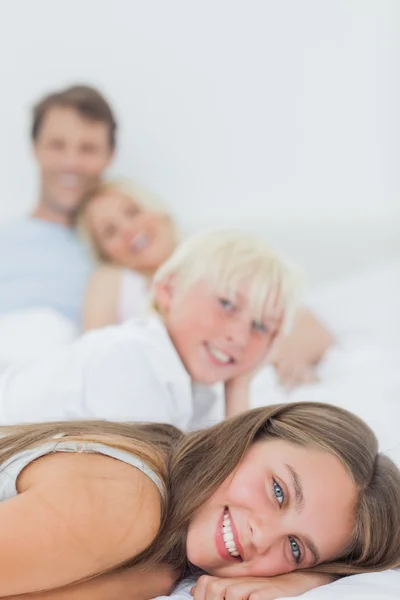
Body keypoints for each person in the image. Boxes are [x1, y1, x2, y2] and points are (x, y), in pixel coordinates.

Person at [0, 401, 398, 599]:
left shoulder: (162, 550)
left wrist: (310, 579)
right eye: (278, 491)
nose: (263, 537)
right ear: (247, 437)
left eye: (295, 547)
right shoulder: (129, 503)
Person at [0, 229, 298, 427]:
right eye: (226, 304)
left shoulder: (200, 394)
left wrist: (240, 383)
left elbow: (227, 467)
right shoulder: (136, 358)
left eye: (261, 326)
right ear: (168, 290)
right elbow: (189, 494)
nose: (240, 336)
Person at [0, 84, 116, 328]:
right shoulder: (5, 241)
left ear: (110, 156)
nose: (71, 163)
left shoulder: (125, 249)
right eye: (57, 145)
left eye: (88, 149)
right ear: (35, 148)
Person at [77, 179, 177, 330]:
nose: (128, 230)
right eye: (110, 231)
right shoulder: (111, 280)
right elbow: (95, 348)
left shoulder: (209, 257)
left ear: (158, 212)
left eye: (132, 212)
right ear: (105, 254)